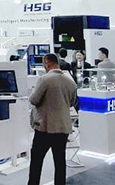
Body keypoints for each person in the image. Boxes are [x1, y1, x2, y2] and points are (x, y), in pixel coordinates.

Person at [28, 53, 77, 185]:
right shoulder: (70, 81)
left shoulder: (44, 79)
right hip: (62, 127)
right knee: (60, 162)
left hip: (45, 127)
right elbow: (72, 103)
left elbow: (33, 100)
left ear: (47, 63)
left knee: (36, 161)